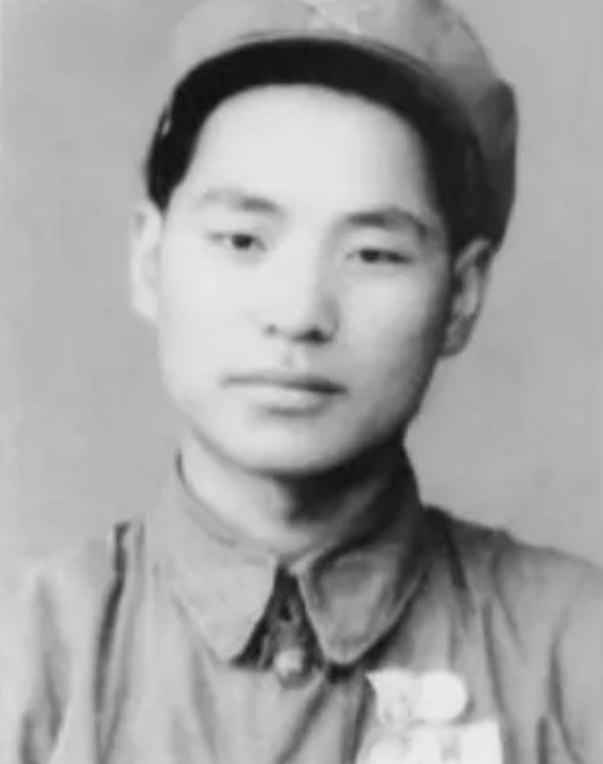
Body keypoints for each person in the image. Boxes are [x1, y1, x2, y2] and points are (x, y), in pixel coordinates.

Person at [1, 0, 601, 762]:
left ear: (460, 296)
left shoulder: (574, 656)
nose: (297, 314)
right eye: (242, 240)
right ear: (149, 259)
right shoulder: (27, 659)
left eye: (372, 254)